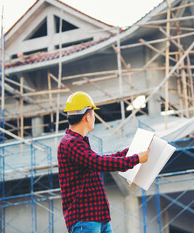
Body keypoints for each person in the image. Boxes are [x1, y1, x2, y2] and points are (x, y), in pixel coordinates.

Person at [57, 91, 149, 233]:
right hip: (85, 220)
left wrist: (132, 152)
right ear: (87, 116)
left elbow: (99, 160)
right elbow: (99, 162)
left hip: (98, 218)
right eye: (93, 113)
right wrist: (135, 159)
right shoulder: (70, 143)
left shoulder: (78, 143)